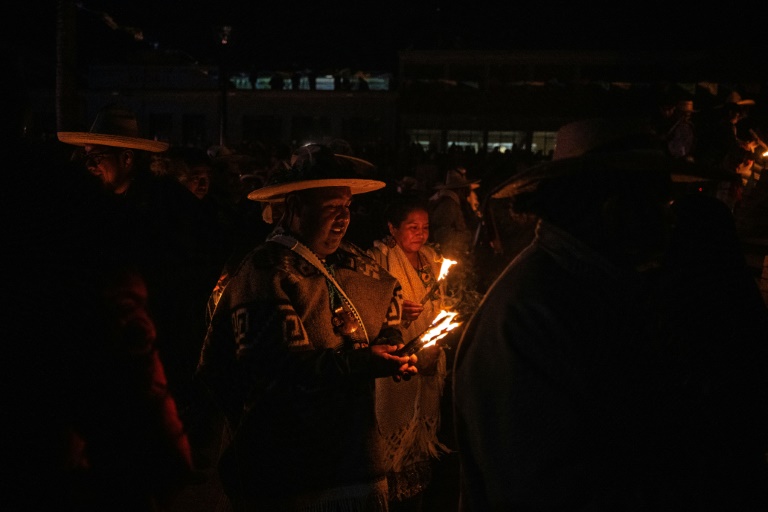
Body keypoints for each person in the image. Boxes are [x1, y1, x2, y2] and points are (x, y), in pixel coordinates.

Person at [452, 117, 736, 511]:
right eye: (660, 203)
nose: (671, 219)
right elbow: (540, 489)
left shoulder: (594, 289)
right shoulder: (531, 311)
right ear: (614, 209)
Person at [195, 143, 419, 511]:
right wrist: (364, 363)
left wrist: (392, 345)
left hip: (354, 455)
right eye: (332, 208)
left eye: (347, 207)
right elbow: (275, 371)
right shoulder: (265, 271)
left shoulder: (352, 259)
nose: (344, 218)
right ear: (296, 208)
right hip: (291, 467)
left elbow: (387, 304)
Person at [57, 104, 221, 449]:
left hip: (167, 341)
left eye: (97, 156)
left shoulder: (170, 205)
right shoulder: (92, 207)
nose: (89, 165)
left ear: (128, 159)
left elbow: (201, 265)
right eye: (86, 157)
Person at [366, 194, 451, 511]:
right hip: (398, 360)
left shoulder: (431, 258)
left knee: (419, 446)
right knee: (393, 442)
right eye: (412, 226)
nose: (420, 233)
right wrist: (396, 314)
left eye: (425, 226)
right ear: (392, 227)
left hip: (428, 359)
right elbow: (367, 308)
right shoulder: (379, 259)